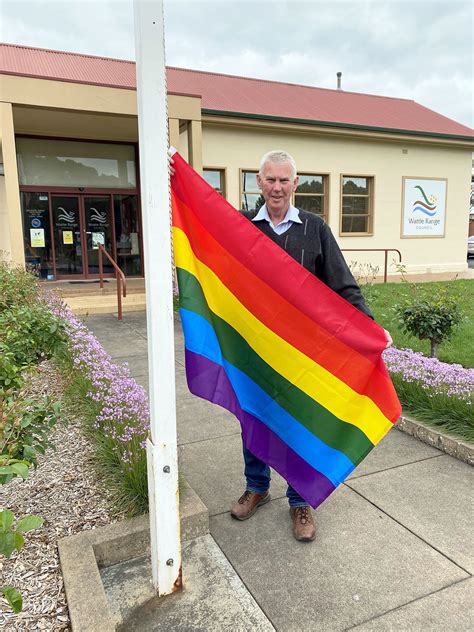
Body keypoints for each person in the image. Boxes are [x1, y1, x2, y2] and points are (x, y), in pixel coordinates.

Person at [170, 149, 392, 542]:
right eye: (269, 179)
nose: (276, 187)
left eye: (284, 180)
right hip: (252, 350)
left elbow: (342, 285)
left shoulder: (315, 228)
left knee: (297, 424)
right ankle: (256, 486)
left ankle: (300, 501)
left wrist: (370, 330)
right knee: (252, 416)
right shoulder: (238, 227)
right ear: (259, 183)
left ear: (295, 183)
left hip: (301, 355)